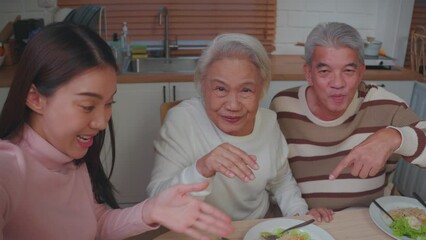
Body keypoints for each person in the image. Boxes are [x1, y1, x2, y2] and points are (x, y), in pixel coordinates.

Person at [0, 22, 234, 240]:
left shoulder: (70, 156)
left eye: (109, 103)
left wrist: (150, 210)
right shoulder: (8, 168)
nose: (102, 122)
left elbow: (97, 223)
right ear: (35, 98)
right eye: (87, 106)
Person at [147, 33, 334, 222]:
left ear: (261, 89)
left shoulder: (268, 123)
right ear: (203, 85)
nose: (233, 105)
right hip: (197, 231)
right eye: (220, 89)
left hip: (255, 227)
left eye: (246, 90)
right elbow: (157, 201)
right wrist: (202, 168)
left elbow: (282, 182)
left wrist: (299, 215)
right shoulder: (182, 121)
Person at [270, 22, 426, 210]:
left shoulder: (387, 105)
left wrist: (395, 137)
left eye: (348, 70)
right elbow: (275, 177)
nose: (338, 83)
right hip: (303, 224)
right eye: (325, 71)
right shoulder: (283, 106)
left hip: (365, 221)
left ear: (361, 72)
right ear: (309, 74)